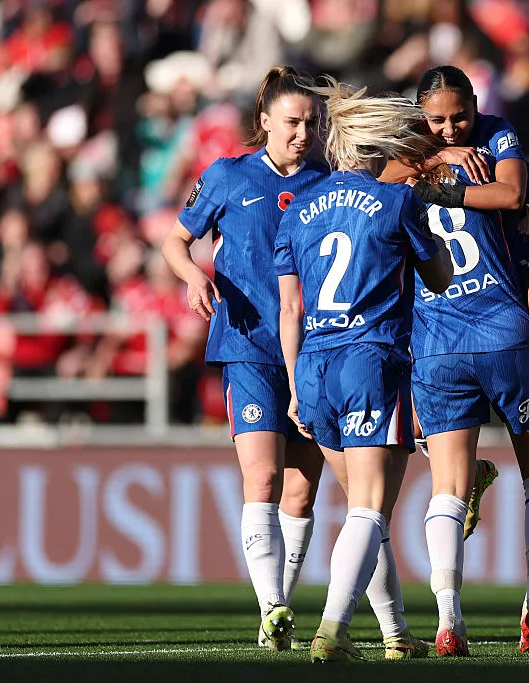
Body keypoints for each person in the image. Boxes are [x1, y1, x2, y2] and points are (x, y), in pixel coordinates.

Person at [383, 65, 529, 531]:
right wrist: (438, 157)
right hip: (440, 286)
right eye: (438, 120)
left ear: (476, 104)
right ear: (421, 115)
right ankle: (471, 474)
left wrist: (447, 187)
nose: (450, 127)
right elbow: (377, 175)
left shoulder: (498, 131)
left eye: (460, 116)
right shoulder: (412, 142)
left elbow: (512, 194)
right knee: (415, 424)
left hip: (509, 261)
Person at [275, 76, 453, 664]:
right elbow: (440, 278)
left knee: (361, 512)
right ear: (377, 145)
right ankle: (332, 630)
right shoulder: (398, 201)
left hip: (315, 366)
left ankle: (397, 634)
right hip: (370, 358)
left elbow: (291, 304)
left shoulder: (298, 208)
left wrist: (296, 385)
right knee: (370, 510)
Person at [161, 66, 327, 652]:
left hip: (313, 351)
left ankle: (275, 607)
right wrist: (192, 277)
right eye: (292, 122)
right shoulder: (228, 176)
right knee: (262, 477)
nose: (303, 133)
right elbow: (174, 240)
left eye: (310, 123)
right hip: (248, 344)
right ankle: (274, 607)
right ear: (264, 122)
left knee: (302, 493)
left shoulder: (328, 182)